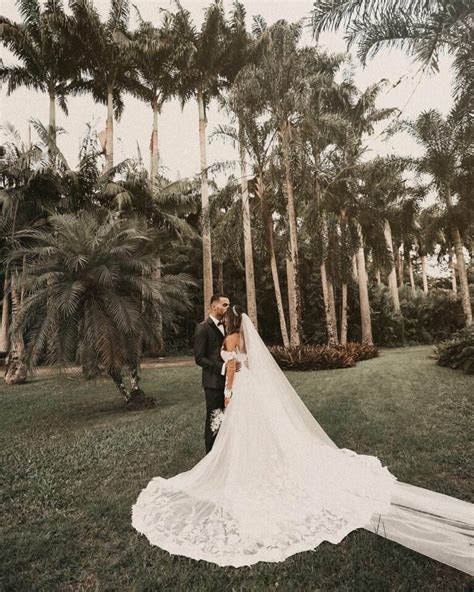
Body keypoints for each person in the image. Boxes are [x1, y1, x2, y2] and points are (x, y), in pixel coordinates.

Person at [132, 309, 473, 573]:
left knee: (244, 436)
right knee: (262, 433)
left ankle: (252, 471)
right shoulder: (247, 338)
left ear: (232, 323)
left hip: (242, 392)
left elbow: (234, 369)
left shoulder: (233, 341)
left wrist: (228, 398)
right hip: (257, 393)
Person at [193, 294, 239, 453]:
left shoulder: (228, 327)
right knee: (214, 419)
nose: (228, 308)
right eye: (224, 305)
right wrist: (222, 367)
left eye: (228, 305)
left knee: (229, 420)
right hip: (213, 383)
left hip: (231, 382)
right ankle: (210, 456)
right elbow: (199, 358)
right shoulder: (202, 328)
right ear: (213, 306)